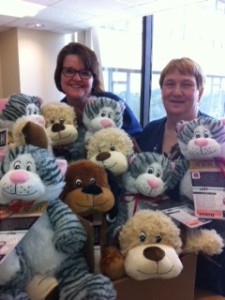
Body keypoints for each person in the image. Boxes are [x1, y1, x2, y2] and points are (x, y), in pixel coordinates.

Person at [136, 57, 225, 297]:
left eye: (186, 84)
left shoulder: (216, 137)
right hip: (157, 241)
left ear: (200, 92)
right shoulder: (149, 131)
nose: (176, 92)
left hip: (205, 252)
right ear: (161, 89)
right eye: (169, 84)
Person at [54, 42, 142, 137]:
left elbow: (137, 140)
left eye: (84, 72)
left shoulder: (112, 104)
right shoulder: (57, 113)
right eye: (69, 71)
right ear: (59, 76)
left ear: (93, 79)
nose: (77, 78)